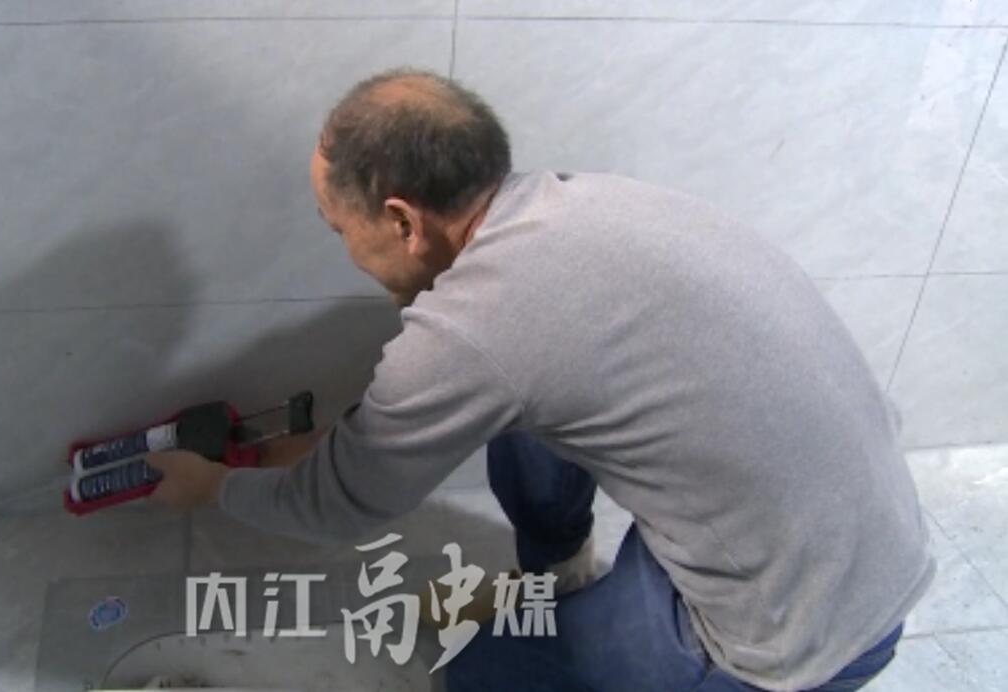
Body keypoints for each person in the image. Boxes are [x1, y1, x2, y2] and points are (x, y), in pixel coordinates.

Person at [145, 68, 934, 691]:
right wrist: (354, 442)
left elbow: (337, 506)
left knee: (476, 667)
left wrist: (213, 488)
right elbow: (472, 388)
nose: (345, 251)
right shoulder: (575, 206)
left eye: (339, 230)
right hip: (863, 539)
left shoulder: (474, 325)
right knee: (527, 413)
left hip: (792, 635)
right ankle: (559, 575)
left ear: (401, 221)